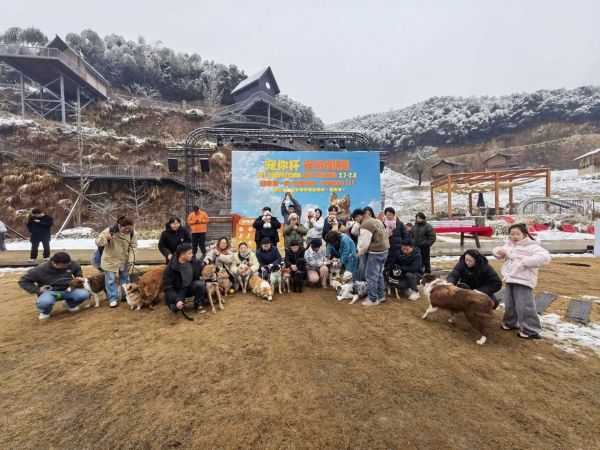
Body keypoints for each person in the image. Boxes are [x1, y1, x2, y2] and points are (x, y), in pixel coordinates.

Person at [492, 223, 551, 340]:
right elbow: (497, 252)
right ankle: (511, 323)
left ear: (524, 234)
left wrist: (525, 262)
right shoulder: (509, 244)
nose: (514, 236)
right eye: (512, 234)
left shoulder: (531, 246)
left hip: (523, 280)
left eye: (517, 234)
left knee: (524, 305)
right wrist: (498, 251)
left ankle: (532, 330)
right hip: (510, 277)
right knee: (510, 303)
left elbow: (545, 257)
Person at [18, 252, 90, 320]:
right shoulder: (39, 269)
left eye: (67, 264)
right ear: (54, 263)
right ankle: (46, 312)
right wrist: (37, 289)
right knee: (44, 303)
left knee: (85, 294)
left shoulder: (69, 263)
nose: (66, 266)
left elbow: (77, 268)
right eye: (64, 265)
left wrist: (78, 276)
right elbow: (23, 281)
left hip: (68, 289)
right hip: (49, 292)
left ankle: (70, 304)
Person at [95, 216, 137, 308]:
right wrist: (106, 238)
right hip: (109, 260)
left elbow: (133, 246)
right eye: (126, 228)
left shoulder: (131, 233)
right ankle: (113, 299)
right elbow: (98, 242)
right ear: (119, 225)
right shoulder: (109, 230)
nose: (127, 230)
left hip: (123, 260)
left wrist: (131, 260)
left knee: (125, 279)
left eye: (129, 228)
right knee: (110, 280)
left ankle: (126, 295)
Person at [352, 208, 390, 306]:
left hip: (376, 252)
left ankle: (373, 298)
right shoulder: (375, 220)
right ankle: (381, 296)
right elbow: (354, 232)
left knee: (371, 275)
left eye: (356, 219)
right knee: (379, 273)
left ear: (358, 216)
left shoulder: (365, 224)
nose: (356, 222)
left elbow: (364, 243)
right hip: (384, 250)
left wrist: (360, 252)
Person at [163, 243, 206, 313]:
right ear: (182, 255)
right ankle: (173, 303)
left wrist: (213, 274)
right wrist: (176, 300)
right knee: (176, 308)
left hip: (190, 286)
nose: (192, 255)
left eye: (192, 253)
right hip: (178, 290)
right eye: (189, 253)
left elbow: (205, 270)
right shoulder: (170, 268)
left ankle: (198, 305)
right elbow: (167, 287)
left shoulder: (195, 262)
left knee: (200, 284)